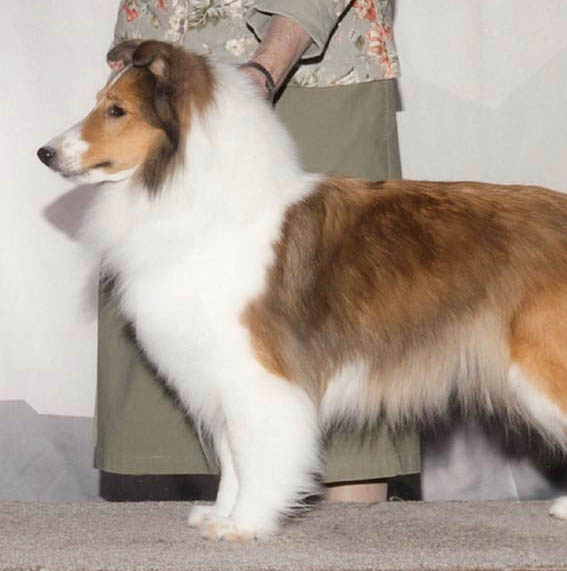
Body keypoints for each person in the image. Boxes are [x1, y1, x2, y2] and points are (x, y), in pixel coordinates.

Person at [96, 0, 420, 503]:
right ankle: (229, 517)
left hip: (315, 68)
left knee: (340, 331)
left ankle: (354, 540)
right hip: (168, 63)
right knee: (180, 338)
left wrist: (268, 65)